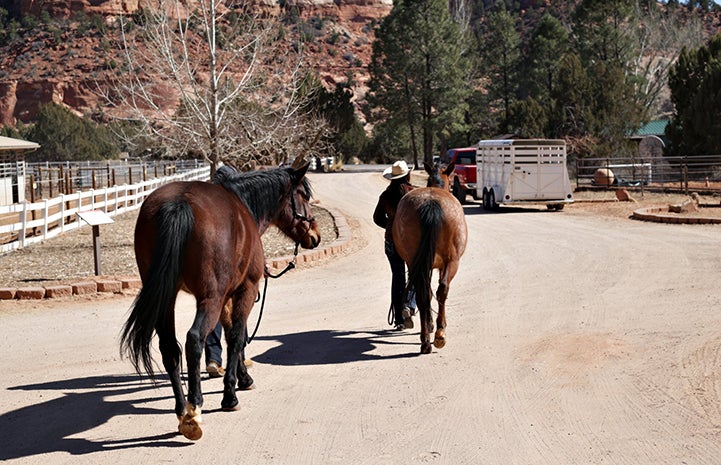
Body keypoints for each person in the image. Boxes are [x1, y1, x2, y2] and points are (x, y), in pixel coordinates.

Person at [373, 160, 417, 331]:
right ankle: (409, 305)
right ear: (407, 175)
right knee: (415, 274)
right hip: (410, 243)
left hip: (391, 242)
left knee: (397, 278)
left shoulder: (385, 195)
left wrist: (392, 227)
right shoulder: (413, 193)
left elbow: (377, 218)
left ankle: (399, 319)